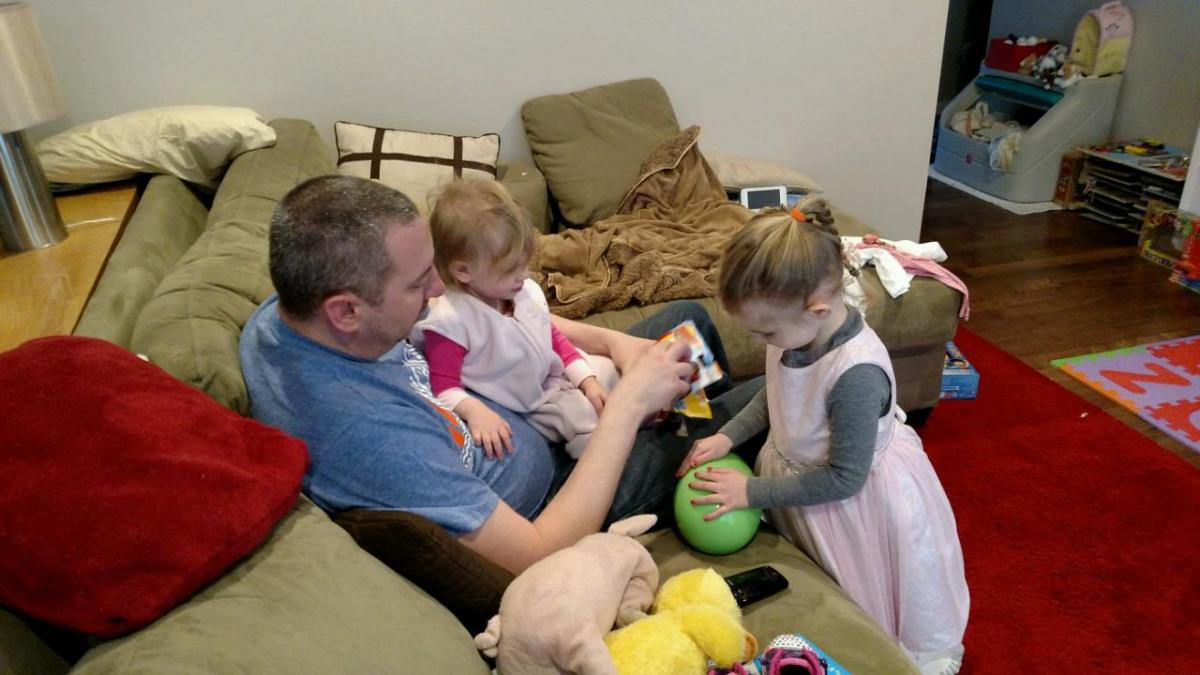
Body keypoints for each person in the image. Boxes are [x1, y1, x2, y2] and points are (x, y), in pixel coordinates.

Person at [239, 175, 761, 575]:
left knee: (686, 325)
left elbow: (512, 323)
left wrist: (610, 343)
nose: (438, 291)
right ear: (346, 312)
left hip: (526, 397)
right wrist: (627, 407)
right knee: (755, 400)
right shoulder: (371, 436)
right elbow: (536, 552)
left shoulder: (295, 315)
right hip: (557, 497)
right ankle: (720, 443)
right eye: (418, 283)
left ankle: (697, 421)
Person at [678, 207, 969, 675]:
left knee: (859, 599)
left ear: (816, 308)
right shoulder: (794, 334)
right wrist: (727, 436)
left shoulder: (857, 376)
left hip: (852, 506)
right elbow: (777, 391)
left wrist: (750, 492)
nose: (763, 341)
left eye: (766, 331)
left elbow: (844, 478)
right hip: (805, 488)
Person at [414, 180, 616, 460]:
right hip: (530, 405)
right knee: (590, 427)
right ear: (463, 271)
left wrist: (587, 380)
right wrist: (475, 411)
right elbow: (444, 388)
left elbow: (551, 337)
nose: (524, 275)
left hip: (553, 376)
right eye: (511, 269)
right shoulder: (450, 322)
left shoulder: (520, 291)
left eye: (525, 263)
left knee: (612, 374)